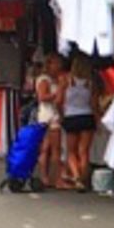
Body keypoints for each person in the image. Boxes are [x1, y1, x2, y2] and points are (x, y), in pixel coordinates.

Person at [61, 54, 97, 193]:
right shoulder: (90, 82)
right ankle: (83, 178)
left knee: (71, 151)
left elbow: (59, 100)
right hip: (87, 116)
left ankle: (76, 177)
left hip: (71, 116)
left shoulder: (66, 80)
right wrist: (97, 118)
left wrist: (61, 113)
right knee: (84, 151)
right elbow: (93, 104)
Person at [34, 53, 66, 188]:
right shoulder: (45, 80)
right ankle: (54, 178)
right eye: (56, 63)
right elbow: (42, 97)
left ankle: (46, 177)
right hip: (50, 114)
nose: (59, 66)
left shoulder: (54, 79)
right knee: (54, 149)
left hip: (47, 114)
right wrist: (58, 92)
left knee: (46, 147)